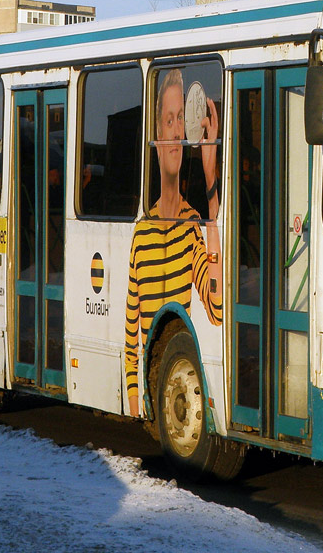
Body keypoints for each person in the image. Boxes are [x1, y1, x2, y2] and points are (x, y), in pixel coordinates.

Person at [124, 68, 223, 416]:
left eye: (181, 118)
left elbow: (217, 308)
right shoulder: (142, 231)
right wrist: (136, 407)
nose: (177, 129)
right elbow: (131, 338)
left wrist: (211, 182)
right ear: (157, 134)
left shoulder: (192, 225)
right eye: (169, 119)